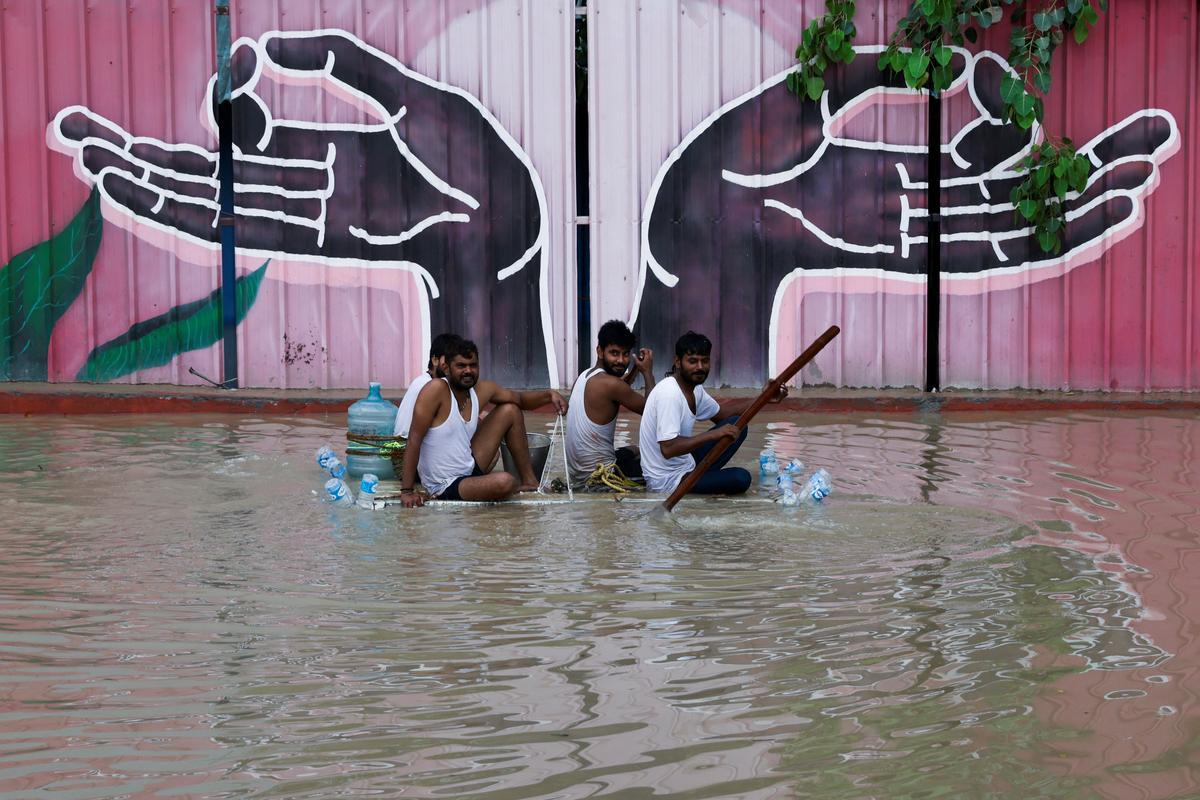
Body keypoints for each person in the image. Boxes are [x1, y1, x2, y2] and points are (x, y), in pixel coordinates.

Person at [400, 338, 568, 506]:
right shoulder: (436, 389)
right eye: (461, 366)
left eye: (473, 365)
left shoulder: (482, 390)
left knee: (510, 409)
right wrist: (407, 491)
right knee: (505, 482)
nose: (468, 371)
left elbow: (520, 399)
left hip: (470, 467)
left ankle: (530, 482)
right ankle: (477, 486)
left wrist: (549, 395)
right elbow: (414, 439)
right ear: (446, 368)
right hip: (444, 484)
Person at [639, 331, 786, 495]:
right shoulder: (670, 394)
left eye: (705, 361)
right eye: (693, 361)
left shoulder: (695, 390)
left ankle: (706, 479)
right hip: (666, 481)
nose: (700, 367)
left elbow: (725, 415)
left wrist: (764, 398)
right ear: (678, 362)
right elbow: (669, 449)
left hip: (687, 463)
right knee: (741, 478)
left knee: (738, 425)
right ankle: (707, 480)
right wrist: (713, 435)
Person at [565, 320, 655, 488]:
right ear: (600, 351)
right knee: (660, 461)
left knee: (636, 450)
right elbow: (654, 412)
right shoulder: (611, 385)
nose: (621, 360)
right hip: (602, 477)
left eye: (626, 354)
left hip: (579, 476)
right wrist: (648, 373)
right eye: (614, 353)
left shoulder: (584, 376)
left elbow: (619, 389)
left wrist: (635, 369)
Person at [394, 332, 460, 438]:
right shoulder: (427, 385)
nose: (454, 366)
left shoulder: (429, 381)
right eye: (449, 359)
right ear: (435, 360)